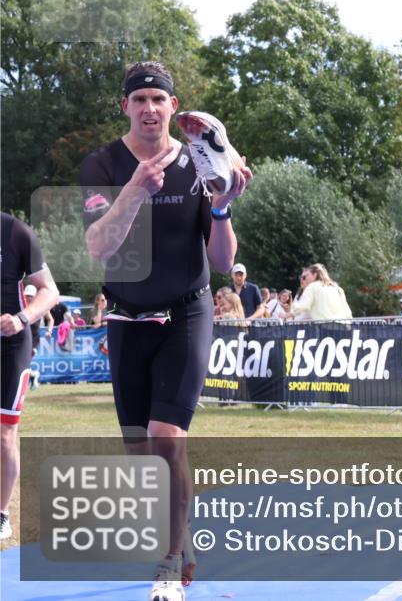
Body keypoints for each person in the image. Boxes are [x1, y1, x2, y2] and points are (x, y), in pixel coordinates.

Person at [79, 60, 251, 600]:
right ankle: (180, 535)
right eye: (140, 100)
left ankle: (169, 563)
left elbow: (223, 262)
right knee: (141, 455)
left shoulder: (199, 163)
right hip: (128, 315)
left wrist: (221, 208)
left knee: (166, 439)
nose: (150, 109)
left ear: (173, 108)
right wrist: (133, 189)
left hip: (187, 312)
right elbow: (99, 248)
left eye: (159, 99)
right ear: (125, 107)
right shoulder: (102, 164)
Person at [1, 213, 60, 541]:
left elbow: (49, 290)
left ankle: (1, 513)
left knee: (5, 433)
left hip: (9, 345)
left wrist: (22, 318)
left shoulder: (15, 231)